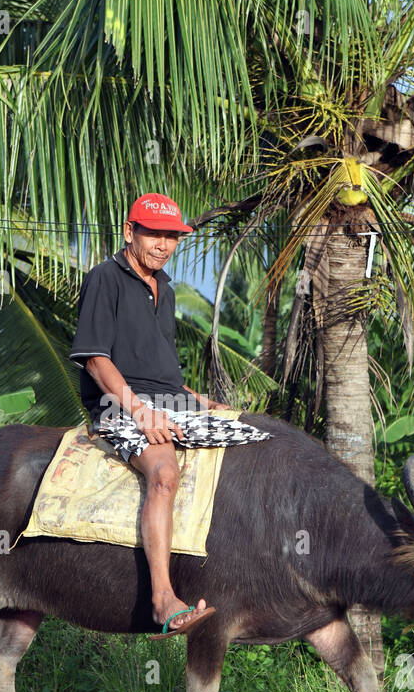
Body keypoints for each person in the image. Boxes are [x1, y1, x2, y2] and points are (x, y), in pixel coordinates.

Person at [69, 193, 270, 638]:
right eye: (154, 234)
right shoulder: (105, 278)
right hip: (118, 403)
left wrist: (201, 402)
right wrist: (139, 412)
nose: (162, 245)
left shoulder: (167, 289)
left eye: (172, 237)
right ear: (129, 231)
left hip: (168, 401)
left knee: (257, 436)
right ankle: (162, 598)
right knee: (163, 473)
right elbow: (95, 358)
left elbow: (162, 372)